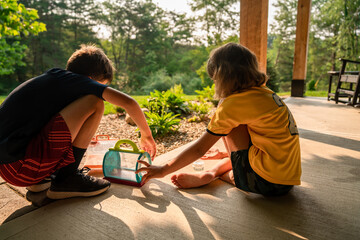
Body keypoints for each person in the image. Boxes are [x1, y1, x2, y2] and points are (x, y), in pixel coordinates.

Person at [137, 42, 301, 196]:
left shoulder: (234, 104)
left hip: (266, 182)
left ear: (222, 77)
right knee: (229, 117)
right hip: (286, 180)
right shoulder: (265, 94)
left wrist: (163, 170)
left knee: (224, 112)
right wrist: (224, 152)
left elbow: (199, 149)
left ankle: (215, 175)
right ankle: (217, 170)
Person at [0, 44, 156, 199]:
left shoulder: (55, 81)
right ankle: (67, 178)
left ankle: (46, 177)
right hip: (21, 168)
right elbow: (129, 102)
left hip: (8, 167)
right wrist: (146, 135)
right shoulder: (77, 81)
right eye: (99, 85)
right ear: (89, 80)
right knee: (95, 102)